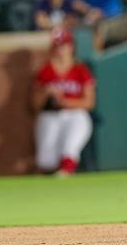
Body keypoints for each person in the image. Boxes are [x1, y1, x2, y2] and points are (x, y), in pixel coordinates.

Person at [32, 27, 95, 176]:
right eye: (57, 45)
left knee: (70, 148)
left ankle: (65, 172)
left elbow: (90, 103)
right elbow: (34, 105)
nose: (60, 49)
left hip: (75, 114)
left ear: (71, 47)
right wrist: (45, 93)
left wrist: (64, 101)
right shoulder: (45, 72)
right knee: (45, 161)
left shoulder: (81, 70)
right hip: (51, 116)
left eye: (64, 45)